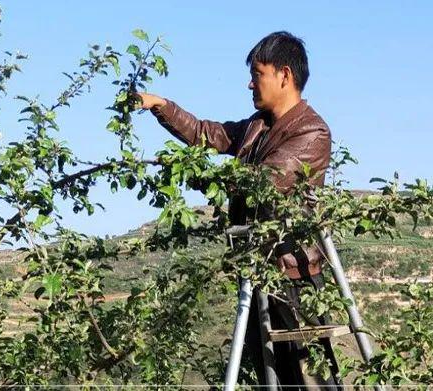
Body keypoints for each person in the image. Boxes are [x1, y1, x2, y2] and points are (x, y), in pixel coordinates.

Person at [137, 31, 340, 390]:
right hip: (258, 269)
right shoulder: (256, 126)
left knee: (309, 378)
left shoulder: (311, 132)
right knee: (269, 376)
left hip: (293, 276)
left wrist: (194, 173)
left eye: (258, 74)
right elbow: (206, 133)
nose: (250, 84)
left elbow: (261, 183)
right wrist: (161, 106)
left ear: (284, 75)